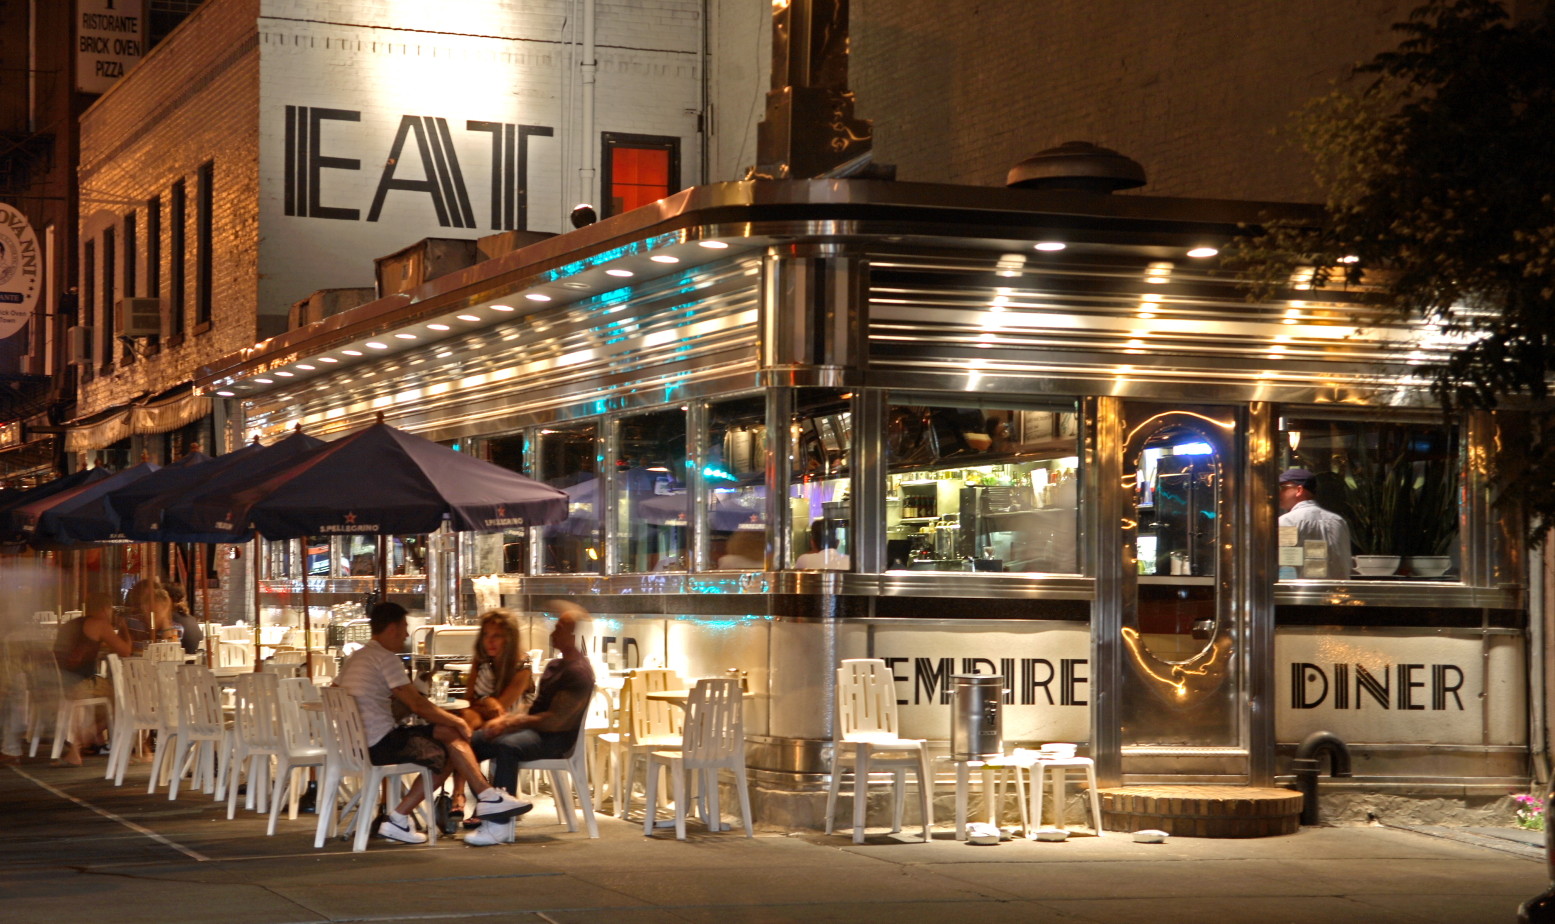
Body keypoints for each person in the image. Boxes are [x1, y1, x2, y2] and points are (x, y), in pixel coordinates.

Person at [333, 602, 530, 845]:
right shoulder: (386, 659)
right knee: (446, 748)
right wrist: (457, 722)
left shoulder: (356, 658)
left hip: (356, 744)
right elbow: (418, 705)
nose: (406, 635)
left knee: (447, 733)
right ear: (392, 628)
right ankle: (403, 816)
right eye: (404, 628)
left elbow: (334, 689)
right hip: (380, 743)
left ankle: (484, 796)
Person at [469, 601, 595, 847]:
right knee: (471, 742)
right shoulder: (555, 665)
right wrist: (507, 720)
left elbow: (556, 720)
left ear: (575, 636)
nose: (553, 632)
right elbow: (535, 707)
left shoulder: (578, 673)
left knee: (507, 745)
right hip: (537, 730)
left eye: (560, 628)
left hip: (556, 740)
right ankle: (493, 802)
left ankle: (499, 825)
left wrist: (511, 723)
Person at [448, 610, 533, 826]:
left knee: (462, 732)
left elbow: (501, 709)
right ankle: (470, 795)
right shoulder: (482, 660)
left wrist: (485, 704)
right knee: (463, 725)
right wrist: (486, 702)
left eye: (497, 636)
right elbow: (469, 700)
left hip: (514, 721)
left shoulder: (522, 666)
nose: (490, 641)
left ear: (509, 639)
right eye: (486, 635)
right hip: (482, 716)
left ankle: (467, 797)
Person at [51, 592, 133, 766]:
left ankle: (95, 741)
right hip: (80, 684)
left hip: (61, 681)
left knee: (109, 694)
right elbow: (125, 651)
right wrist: (124, 629)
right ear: (105, 608)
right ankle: (83, 741)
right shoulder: (100, 623)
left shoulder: (73, 623)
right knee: (127, 698)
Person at [1278, 467, 1353, 579]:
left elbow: (1285, 563)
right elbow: (1343, 564)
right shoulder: (1338, 521)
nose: (1279, 493)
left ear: (1299, 490)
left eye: (1283, 488)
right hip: (1336, 589)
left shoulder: (1287, 521)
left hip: (1300, 589)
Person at [164, 584, 204, 656]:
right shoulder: (191, 619)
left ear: (167, 600)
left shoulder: (170, 620)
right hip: (196, 661)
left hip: (181, 661)